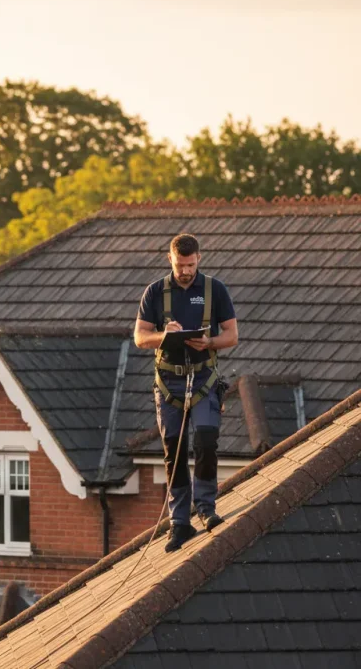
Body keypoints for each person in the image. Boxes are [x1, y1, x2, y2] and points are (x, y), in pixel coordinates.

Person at [134, 233, 239, 552]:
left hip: (204, 377)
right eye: (180, 265)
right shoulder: (155, 292)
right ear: (170, 259)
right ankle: (180, 521)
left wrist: (208, 342)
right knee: (174, 449)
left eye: (191, 265)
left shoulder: (214, 290)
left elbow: (232, 335)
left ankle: (206, 508)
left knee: (206, 440)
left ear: (199, 259)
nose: (185, 271)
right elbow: (140, 337)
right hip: (169, 382)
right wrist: (165, 335)